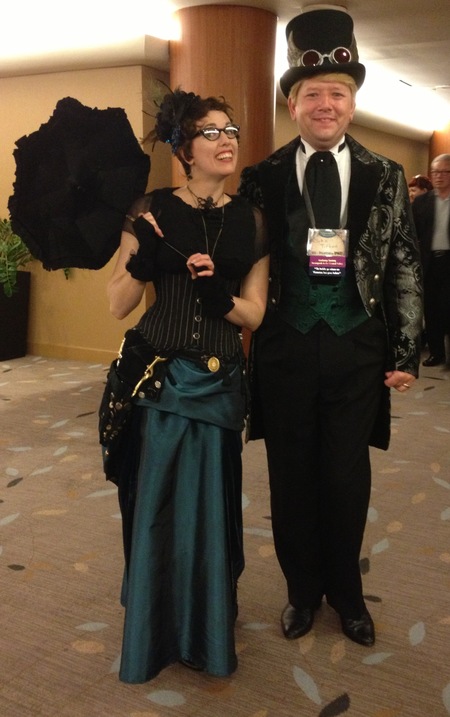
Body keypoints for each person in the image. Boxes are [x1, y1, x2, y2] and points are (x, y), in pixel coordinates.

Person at [239, 7, 423, 648]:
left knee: (346, 476)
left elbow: (404, 264)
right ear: (292, 104)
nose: (326, 104)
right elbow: (247, 264)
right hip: (284, 348)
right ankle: (301, 592)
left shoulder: (386, 175)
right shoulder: (260, 178)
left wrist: (406, 350)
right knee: (290, 476)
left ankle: (347, 593)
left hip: (357, 350)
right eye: (312, 93)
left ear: (352, 103)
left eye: (337, 93)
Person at [106, 88, 269, 683]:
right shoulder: (150, 210)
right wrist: (143, 260)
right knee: (158, 508)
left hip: (220, 381)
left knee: (209, 509)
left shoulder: (252, 219)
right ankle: (155, 628)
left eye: (231, 130)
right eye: (211, 132)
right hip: (159, 378)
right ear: (185, 148)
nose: (226, 141)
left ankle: (205, 627)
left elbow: (255, 315)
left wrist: (220, 298)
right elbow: (118, 305)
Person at [412, 153, 450, 366]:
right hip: (429, 263)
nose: (439, 176)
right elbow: (412, 234)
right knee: (432, 308)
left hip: (449, 260)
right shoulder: (421, 202)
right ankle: (437, 353)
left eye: (444, 172)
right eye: (435, 172)